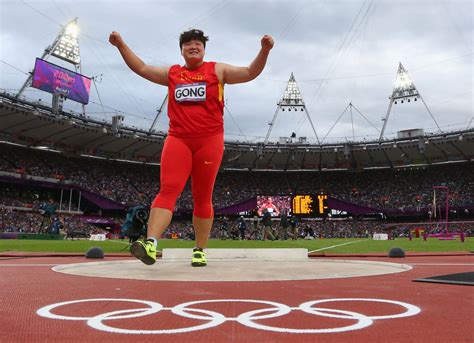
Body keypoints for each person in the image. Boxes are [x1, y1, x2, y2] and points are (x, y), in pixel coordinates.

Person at [109, 29, 274, 266]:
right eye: (187, 44)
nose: (193, 46)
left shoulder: (217, 70)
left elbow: (249, 72)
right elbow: (142, 68)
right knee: (168, 190)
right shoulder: (173, 73)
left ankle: (199, 249)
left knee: (202, 197)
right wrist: (120, 44)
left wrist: (264, 51)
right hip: (178, 140)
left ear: (204, 49)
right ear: (182, 50)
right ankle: (151, 243)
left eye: (197, 43)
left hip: (209, 141)